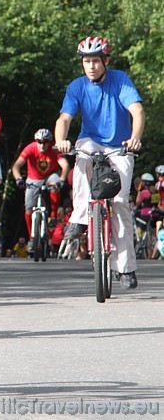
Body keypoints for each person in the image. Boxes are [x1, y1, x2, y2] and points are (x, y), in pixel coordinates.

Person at [55, 36, 145, 289]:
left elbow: (136, 111)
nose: (91, 66)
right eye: (86, 61)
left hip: (119, 147)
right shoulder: (77, 86)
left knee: (119, 204)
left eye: (95, 60)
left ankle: (125, 268)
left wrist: (134, 139)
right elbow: (64, 118)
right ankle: (81, 216)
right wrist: (61, 140)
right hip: (91, 141)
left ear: (106, 61)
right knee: (81, 158)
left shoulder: (120, 80)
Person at [11, 129, 69, 237]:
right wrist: (18, 179)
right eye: (39, 142)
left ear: (50, 142)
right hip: (33, 178)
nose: (42, 145)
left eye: (45, 142)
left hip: (50, 175)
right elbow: (16, 166)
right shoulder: (30, 148)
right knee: (28, 208)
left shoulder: (54, 149)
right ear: (35, 141)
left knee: (54, 185)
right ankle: (31, 237)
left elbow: (65, 166)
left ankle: (53, 215)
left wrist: (62, 180)